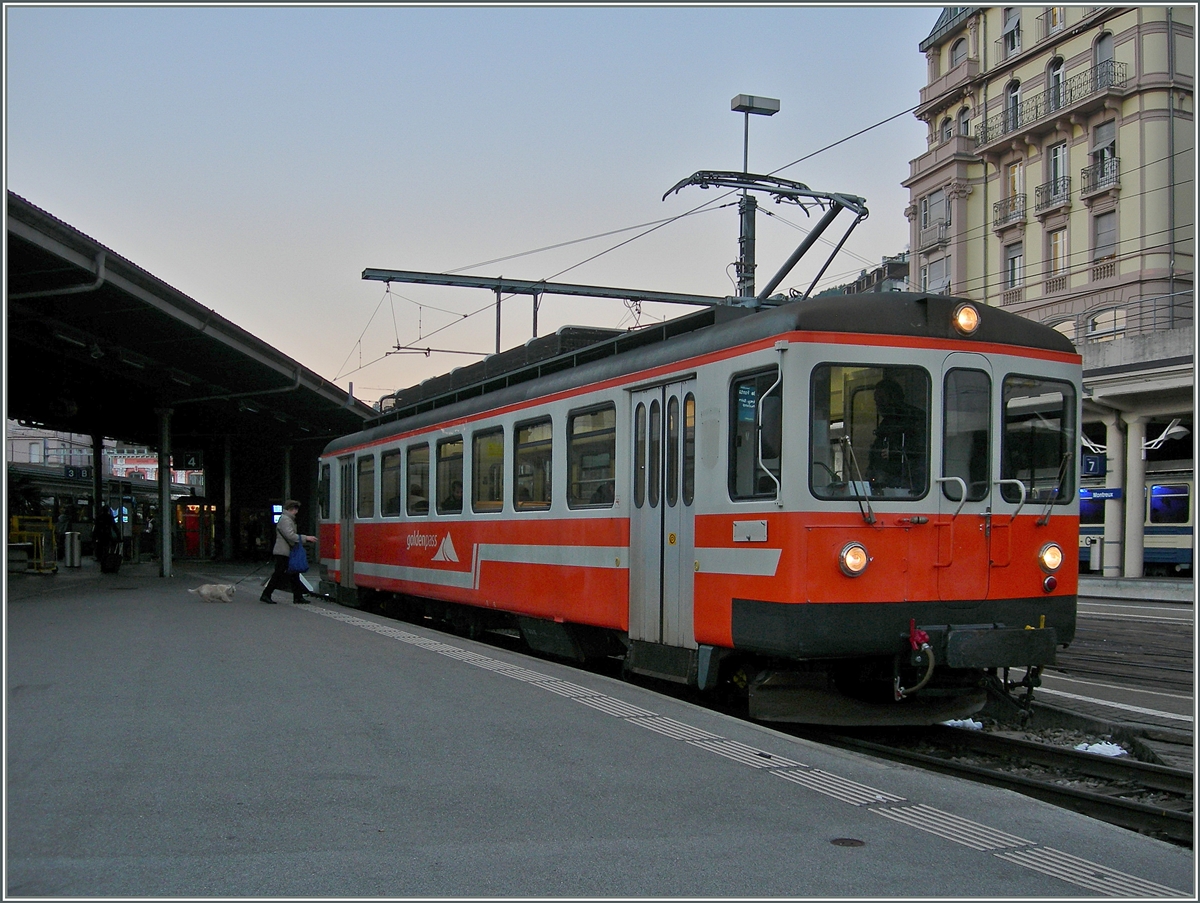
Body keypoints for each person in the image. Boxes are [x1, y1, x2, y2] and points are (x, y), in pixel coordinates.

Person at [867, 378, 926, 492]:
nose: (878, 404)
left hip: (907, 481)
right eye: (876, 401)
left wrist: (895, 453)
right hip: (886, 479)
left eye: (881, 399)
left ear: (893, 397)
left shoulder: (914, 417)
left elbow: (923, 449)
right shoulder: (887, 421)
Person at [260, 500, 315, 604]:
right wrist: (305, 538)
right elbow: (290, 535)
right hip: (283, 551)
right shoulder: (286, 519)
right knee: (279, 573)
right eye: (296, 509)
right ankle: (266, 594)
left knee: (294, 574)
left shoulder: (287, 519)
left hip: (286, 550)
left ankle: (297, 597)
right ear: (292, 509)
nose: (297, 512)